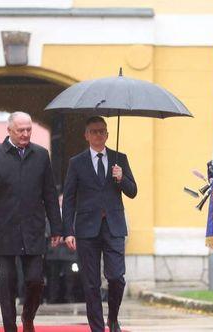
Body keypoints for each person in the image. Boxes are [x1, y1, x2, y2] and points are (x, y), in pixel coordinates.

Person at [0, 112, 62, 332]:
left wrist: (57, 228)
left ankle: (28, 316)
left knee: (35, 280)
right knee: (7, 281)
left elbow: (50, 194)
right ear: (9, 131)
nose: (25, 134)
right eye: (20, 130)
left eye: (29, 130)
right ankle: (9, 327)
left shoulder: (41, 155)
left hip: (33, 228)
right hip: (3, 229)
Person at [63, 116, 137, 332]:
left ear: (107, 134)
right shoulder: (76, 163)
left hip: (113, 226)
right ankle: (97, 328)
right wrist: (68, 231)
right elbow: (68, 198)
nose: (98, 135)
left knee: (116, 278)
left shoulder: (119, 159)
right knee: (91, 283)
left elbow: (132, 191)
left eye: (101, 131)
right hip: (86, 229)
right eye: (93, 131)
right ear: (86, 135)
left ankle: (112, 318)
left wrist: (121, 178)